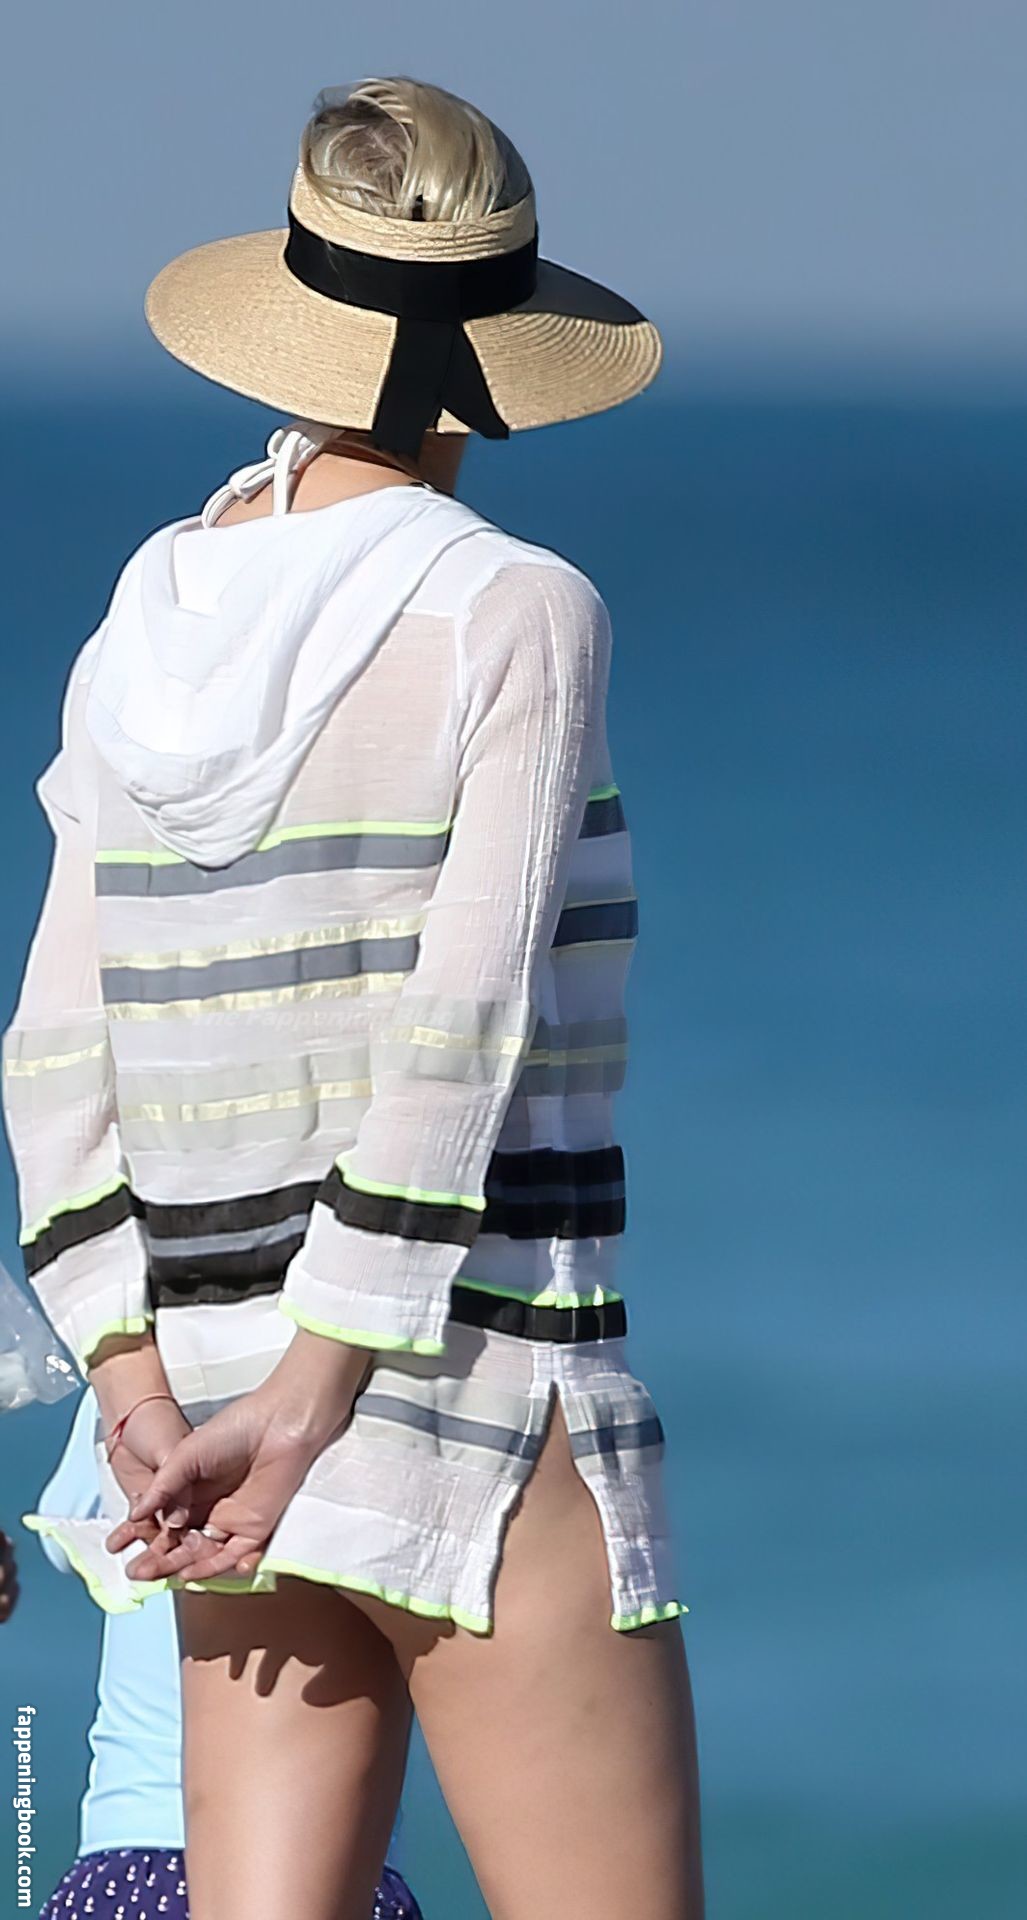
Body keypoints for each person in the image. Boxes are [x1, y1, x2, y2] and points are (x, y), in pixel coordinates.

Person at [4, 75, 705, 1920]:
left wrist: (135, 1381)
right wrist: (322, 1396)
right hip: (458, 1387)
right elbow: (461, 1037)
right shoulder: (512, 609)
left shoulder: (146, 613)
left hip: (210, 1405)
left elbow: (54, 1050)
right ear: (499, 352)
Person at [29, 1390, 422, 1920]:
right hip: (346, 1868)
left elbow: (64, 1529)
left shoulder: (137, 1381)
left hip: (136, 1848)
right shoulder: (380, 1384)